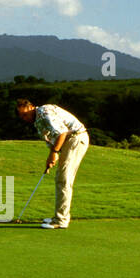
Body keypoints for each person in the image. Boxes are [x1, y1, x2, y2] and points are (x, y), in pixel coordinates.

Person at [16, 98, 89, 229]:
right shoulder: (38, 121)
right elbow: (52, 139)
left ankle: (61, 220)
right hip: (69, 141)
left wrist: (54, 152)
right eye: (21, 115)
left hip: (76, 138)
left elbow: (62, 133)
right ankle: (58, 217)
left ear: (32, 107)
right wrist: (51, 157)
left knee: (63, 179)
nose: (23, 118)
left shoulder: (44, 113)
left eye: (25, 114)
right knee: (61, 179)